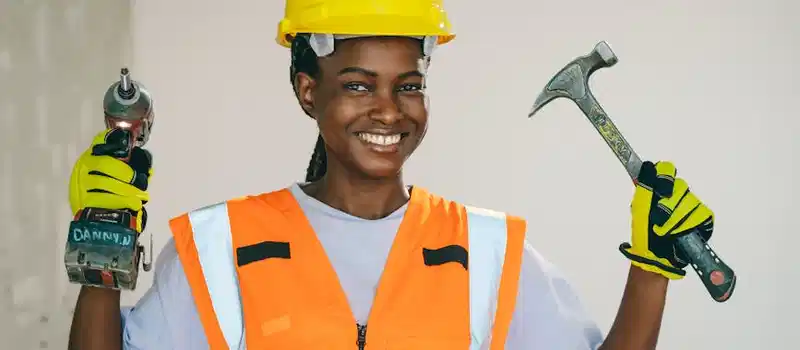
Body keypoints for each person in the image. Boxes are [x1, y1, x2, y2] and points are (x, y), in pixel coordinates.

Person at [67, 1, 716, 349]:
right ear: (307, 90)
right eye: (358, 84)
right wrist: (102, 249)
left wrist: (651, 272)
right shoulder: (217, 249)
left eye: (409, 85)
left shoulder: (490, 254)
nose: (388, 110)